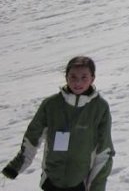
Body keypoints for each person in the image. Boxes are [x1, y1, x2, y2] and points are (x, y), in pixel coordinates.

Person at [2, 56, 115, 191]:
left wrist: (96, 187)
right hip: (51, 180)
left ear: (92, 78)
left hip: (80, 181)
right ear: (66, 77)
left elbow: (104, 151)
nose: (78, 82)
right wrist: (16, 166)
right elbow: (32, 137)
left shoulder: (100, 108)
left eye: (84, 77)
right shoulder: (51, 105)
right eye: (73, 76)